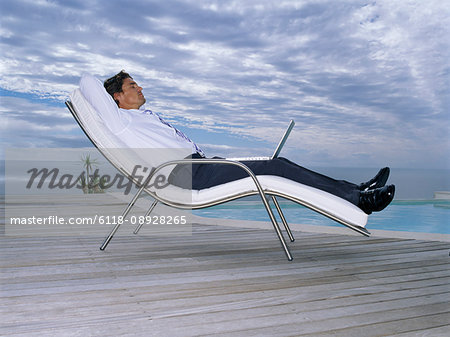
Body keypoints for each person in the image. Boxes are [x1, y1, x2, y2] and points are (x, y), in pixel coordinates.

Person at [102, 71, 395, 215]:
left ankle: (358, 190)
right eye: (132, 86)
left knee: (277, 164)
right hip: (189, 173)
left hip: (201, 165)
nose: (140, 87)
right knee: (275, 166)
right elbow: (89, 85)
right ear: (117, 97)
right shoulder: (121, 119)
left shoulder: (139, 117)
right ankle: (361, 200)